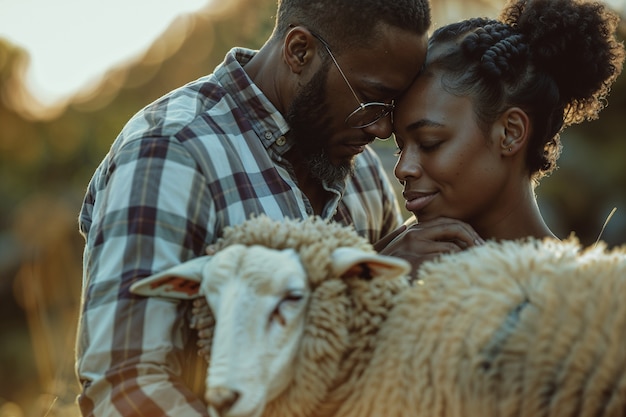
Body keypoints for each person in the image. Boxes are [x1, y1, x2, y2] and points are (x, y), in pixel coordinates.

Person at [75, 0, 431, 415]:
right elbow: (124, 386)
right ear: (300, 51)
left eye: (392, 107)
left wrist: (386, 277)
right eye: (371, 98)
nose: (382, 128)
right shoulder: (170, 153)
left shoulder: (361, 168)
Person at [384, 0, 625, 272]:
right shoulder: (392, 262)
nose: (402, 168)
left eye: (430, 144)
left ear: (511, 133)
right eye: (399, 147)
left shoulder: (586, 296)